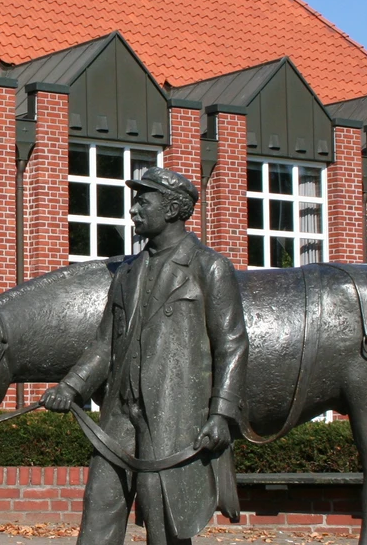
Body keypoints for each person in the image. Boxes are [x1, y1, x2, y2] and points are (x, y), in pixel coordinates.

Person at [41, 167, 248, 545]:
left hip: (172, 415)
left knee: (163, 518)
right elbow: (106, 343)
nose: (133, 210)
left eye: (142, 201)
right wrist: (70, 387)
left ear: (171, 208)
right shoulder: (127, 272)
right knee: (99, 507)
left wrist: (220, 415)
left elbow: (232, 344)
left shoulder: (208, 267)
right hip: (120, 413)